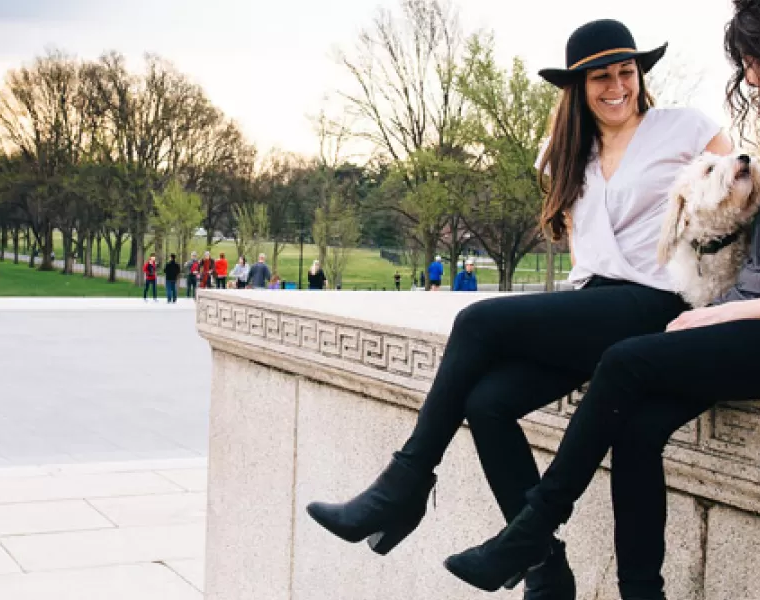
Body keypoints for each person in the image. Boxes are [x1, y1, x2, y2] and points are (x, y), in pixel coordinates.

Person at [436, 4, 760, 598]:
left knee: (627, 360)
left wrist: (724, 312)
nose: (753, 78)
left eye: (758, 63)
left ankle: (529, 533)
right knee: (635, 429)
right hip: (754, 319)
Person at [303, 18, 732, 600]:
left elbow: (736, 209)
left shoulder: (687, 128)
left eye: (626, 71)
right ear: (578, 87)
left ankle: (401, 487)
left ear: (640, 75)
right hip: (595, 304)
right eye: (601, 76)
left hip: (658, 300)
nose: (617, 86)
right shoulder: (561, 156)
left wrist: (725, 308)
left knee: (477, 320)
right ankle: (546, 569)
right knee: (488, 402)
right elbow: (586, 255)